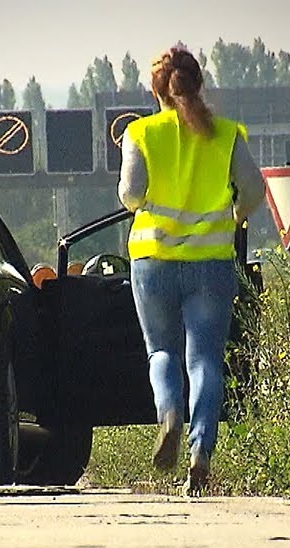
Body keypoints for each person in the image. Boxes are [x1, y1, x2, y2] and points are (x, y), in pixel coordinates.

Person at [117, 45, 265, 497]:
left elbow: (130, 193)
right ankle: (202, 451)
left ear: (156, 90)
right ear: (198, 84)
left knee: (161, 352)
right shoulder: (226, 135)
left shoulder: (141, 133)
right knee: (204, 359)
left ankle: (168, 414)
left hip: (154, 262)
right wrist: (232, 216)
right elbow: (256, 189)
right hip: (211, 264)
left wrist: (148, 205)